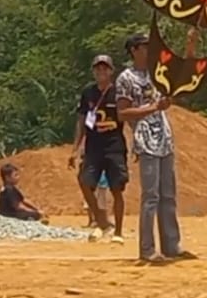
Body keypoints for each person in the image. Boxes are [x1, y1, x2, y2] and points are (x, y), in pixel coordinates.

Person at [116, 31, 197, 264]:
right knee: (150, 196)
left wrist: (190, 45)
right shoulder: (126, 78)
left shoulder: (156, 73)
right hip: (145, 138)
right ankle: (147, 249)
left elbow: (183, 72)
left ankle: (171, 244)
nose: (149, 50)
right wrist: (153, 108)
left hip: (164, 137)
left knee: (168, 194)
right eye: (144, 46)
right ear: (134, 50)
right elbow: (122, 113)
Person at [71, 54, 129, 243]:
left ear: (111, 71)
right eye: (97, 68)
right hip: (93, 146)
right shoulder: (88, 93)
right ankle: (101, 221)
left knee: (116, 188)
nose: (101, 72)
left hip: (114, 146)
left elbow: (128, 116)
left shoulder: (118, 92)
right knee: (85, 181)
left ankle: (118, 231)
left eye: (105, 68)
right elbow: (81, 121)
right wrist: (75, 148)